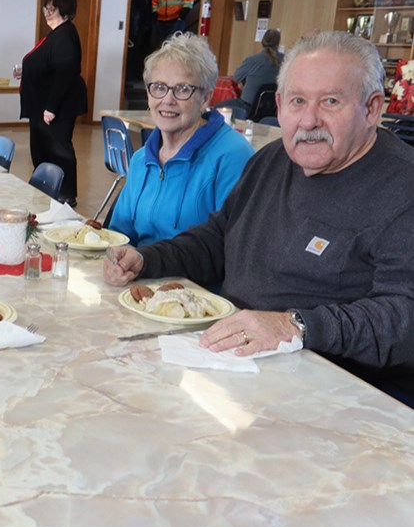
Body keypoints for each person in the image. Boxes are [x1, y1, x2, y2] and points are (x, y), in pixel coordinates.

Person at [104, 30, 414, 403]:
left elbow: (403, 317)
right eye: (298, 101)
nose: (309, 120)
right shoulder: (272, 161)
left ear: (372, 108)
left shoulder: (402, 187)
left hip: (337, 391)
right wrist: (149, 258)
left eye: (331, 101)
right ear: (280, 105)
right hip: (236, 363)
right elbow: (219, 237)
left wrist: (296, 325)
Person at [108, 33, 253, 245]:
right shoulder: (141, 160)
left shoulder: (233, 157)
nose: (168, 100)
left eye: (183, 89)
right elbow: (118, 237)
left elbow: (234, 248)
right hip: (140, 273)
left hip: (193, 277)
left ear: (205, 98)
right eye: (158, 87)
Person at [16, 0, 88, 207]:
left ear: (64, 10)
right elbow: (47, 63)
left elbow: (65, 73)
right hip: (43, 104)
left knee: (59, 151)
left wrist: (51, 107)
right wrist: (26, 71)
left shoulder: (65, 34)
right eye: (45, 8)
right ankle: (48, 189)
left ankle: (66, 194)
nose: (47, 13)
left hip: (56, 107)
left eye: (52, 9)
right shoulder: (56, 33)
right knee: (43, 149)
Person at [232, 28, 283, 109]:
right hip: (272, 108)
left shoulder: (252, 60)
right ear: (278, 43)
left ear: (262, 41)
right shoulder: (286, 61)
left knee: (219, 106)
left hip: (248, 106)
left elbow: (236, 78)